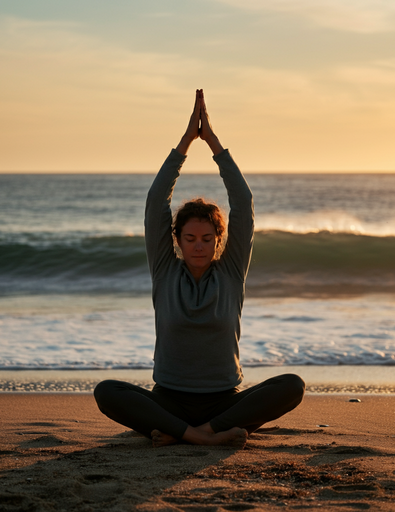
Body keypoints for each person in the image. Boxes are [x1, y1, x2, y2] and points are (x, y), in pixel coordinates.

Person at [94, 90, 305, 448]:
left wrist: (214, 143)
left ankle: (191, 433)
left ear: (219, 241)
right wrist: (185, 143)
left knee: (292, 386)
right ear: (176, 240)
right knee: (106, 391)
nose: (198, 244)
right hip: (169, 400)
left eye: (207, 238)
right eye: (190, 237)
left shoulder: (231, 272)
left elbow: (243, 202)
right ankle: (203, 436)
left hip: (224, 400)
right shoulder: (164, 270)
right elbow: (155, 203)